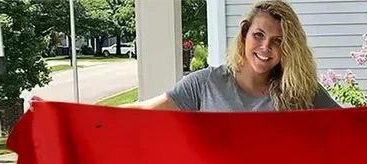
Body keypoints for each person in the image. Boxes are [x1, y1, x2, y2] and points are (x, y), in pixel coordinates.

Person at [127, 0, 341, 112]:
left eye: (277, 41)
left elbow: (348, 126)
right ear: (244, 34)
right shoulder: (205, 84)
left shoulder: (301, 90)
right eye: (259, 35)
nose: (265, 47)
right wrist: (105, 117)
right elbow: (146, 112)